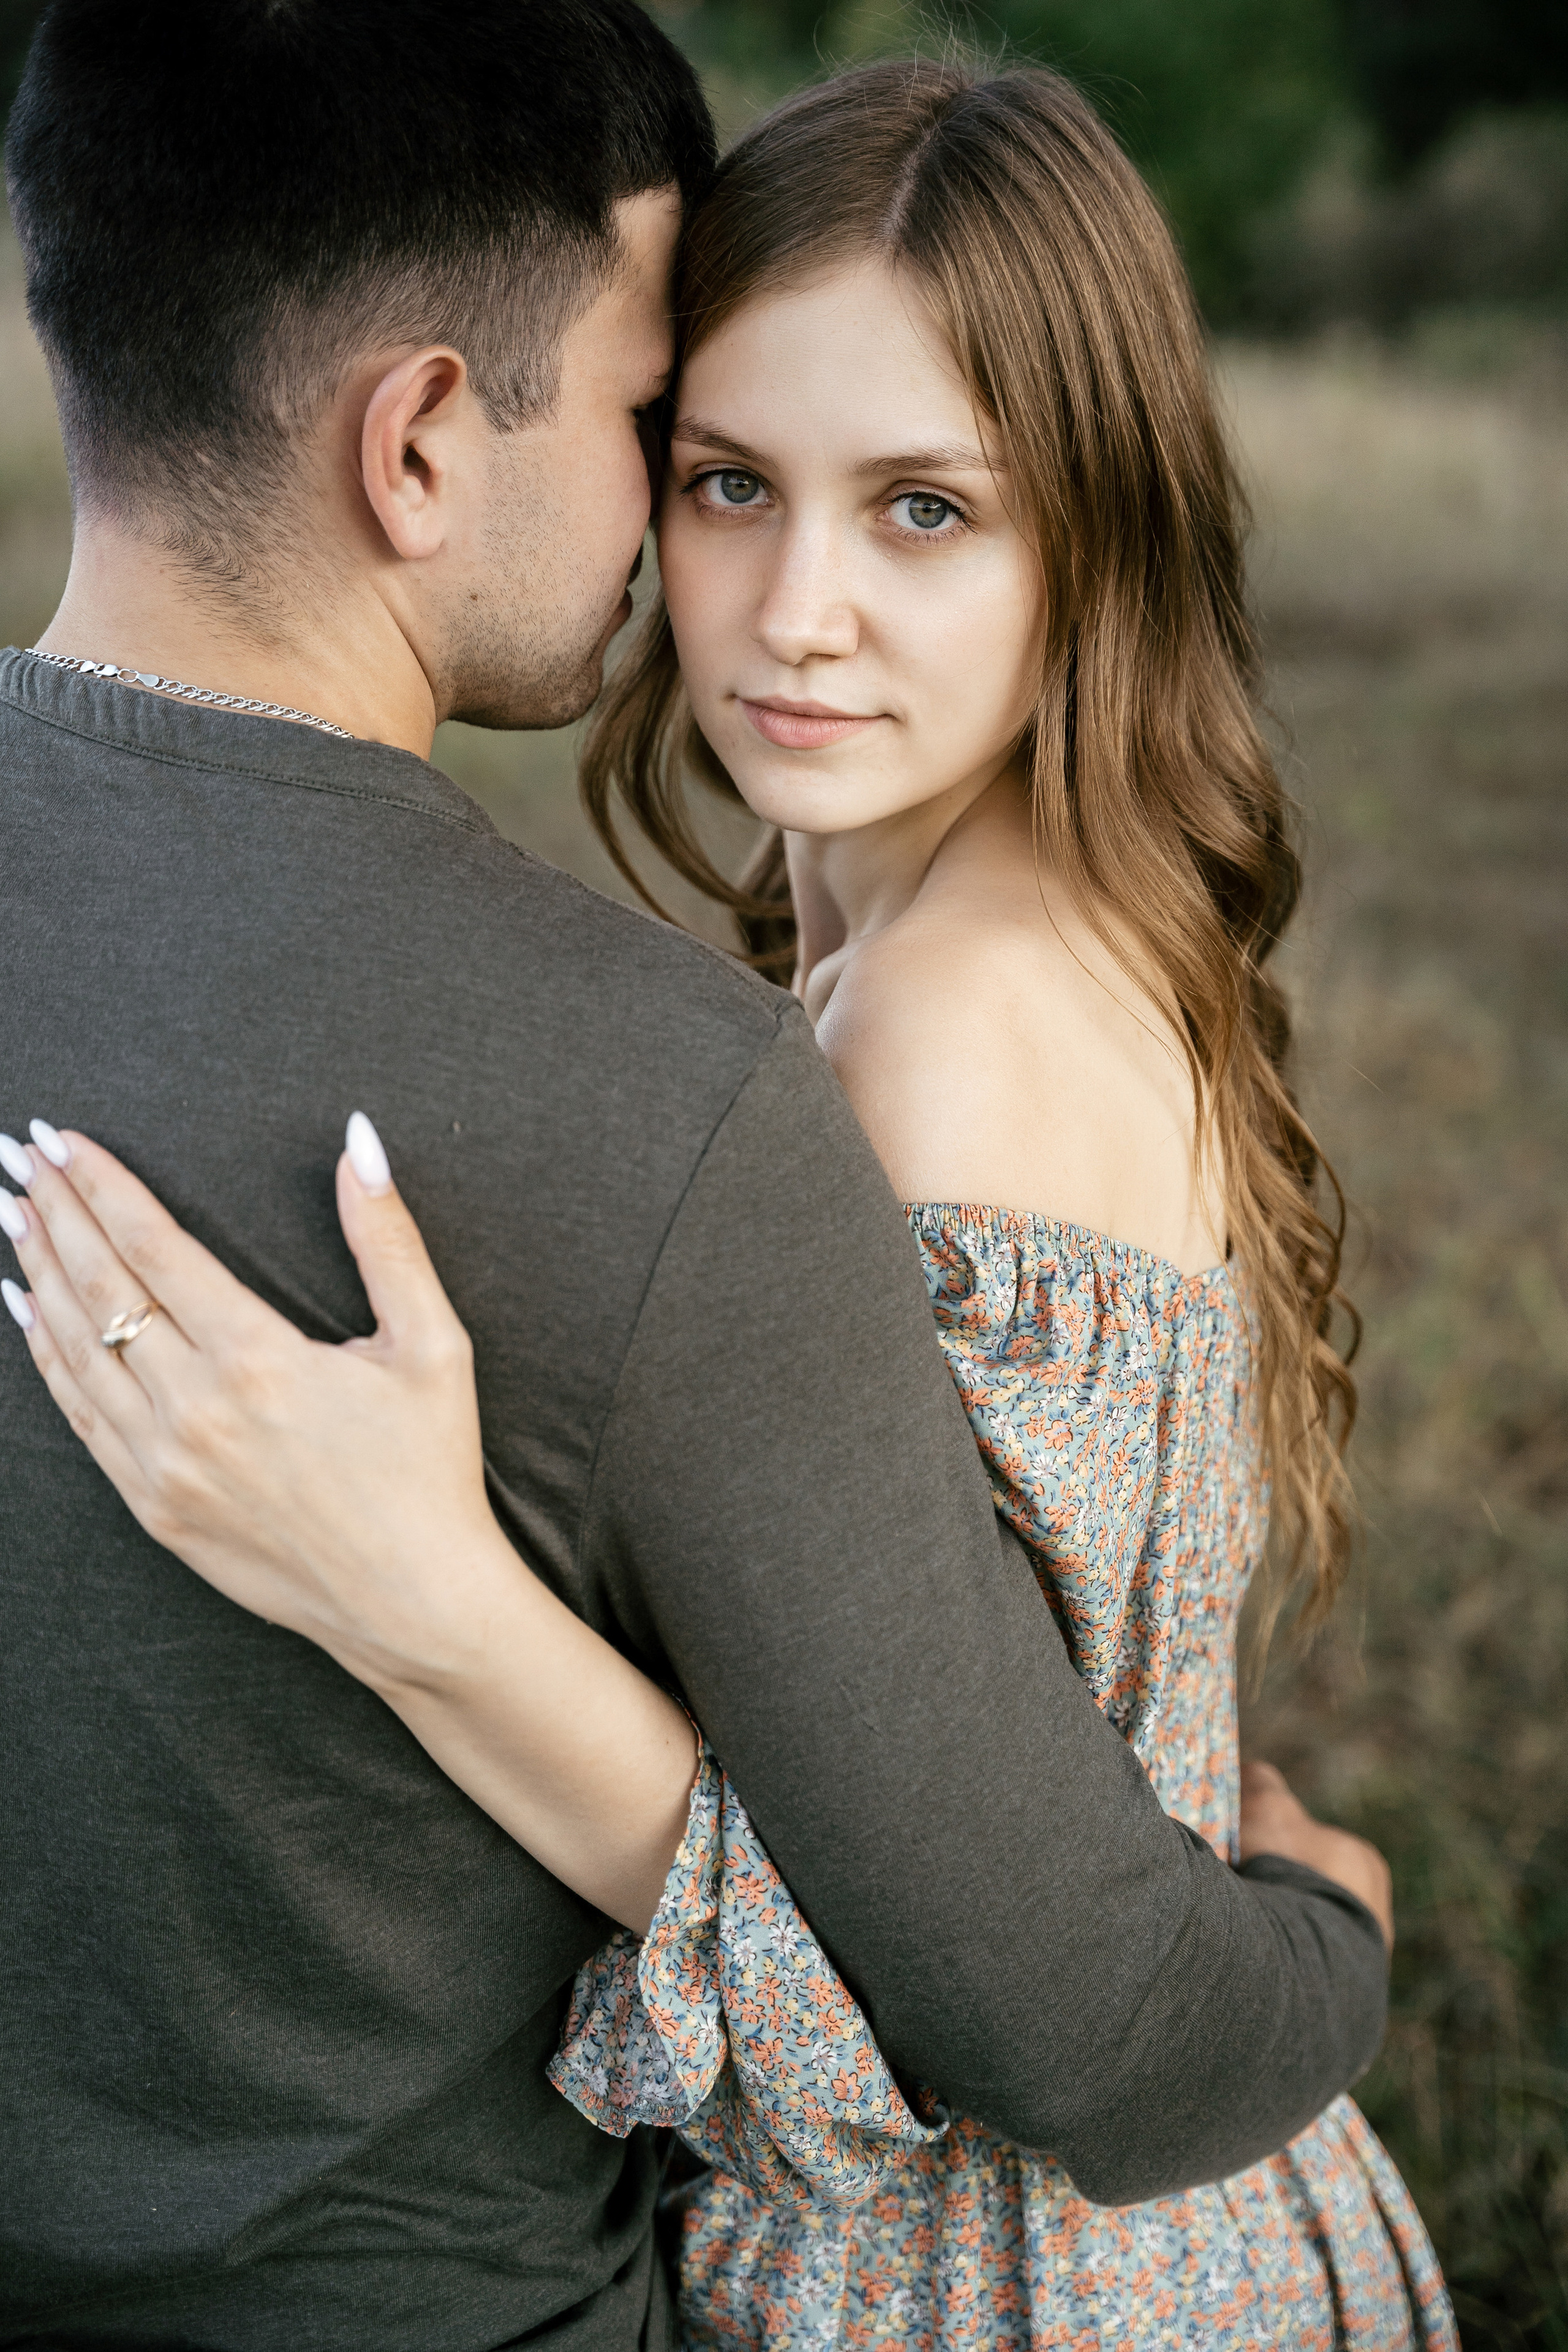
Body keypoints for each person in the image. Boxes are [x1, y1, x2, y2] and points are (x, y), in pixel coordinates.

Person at [0, 9, 1403, 2348]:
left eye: (924, 508)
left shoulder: (929, 1040)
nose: (791, 605)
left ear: (1101, 532)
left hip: (988, 2249)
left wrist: (429, 1594)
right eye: (718, 472)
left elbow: (1027, 2003)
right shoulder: (883, 977)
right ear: (431, 439)